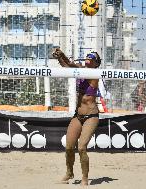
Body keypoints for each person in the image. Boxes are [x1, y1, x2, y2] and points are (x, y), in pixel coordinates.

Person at [52, 48, 101, 186]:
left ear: (96, 63)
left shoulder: (95, 73)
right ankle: (69, 173)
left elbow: (71, 64)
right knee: (68, 147)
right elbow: (67, 66)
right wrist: (58, 57)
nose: (88, 58)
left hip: (91, 116)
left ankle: (85, 178)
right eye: (87, 56)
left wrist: (63, 55)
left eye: (91, 57)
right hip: (78, 115)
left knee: (81, 148)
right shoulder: (80, 69)